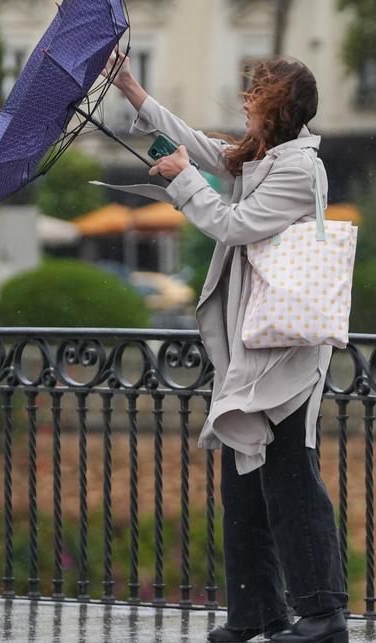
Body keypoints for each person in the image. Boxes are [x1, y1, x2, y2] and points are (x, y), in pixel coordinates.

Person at [100, 50, 349, 643]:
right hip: (253, 341)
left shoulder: (298, 170)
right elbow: (204, 148)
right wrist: (131, 89)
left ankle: (323, 615)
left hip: (284, 347)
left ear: (279, 111)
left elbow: (232, 225)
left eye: (257, 96)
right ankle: (256, 614)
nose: (246, 102)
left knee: (290, 474)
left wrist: (184, 178)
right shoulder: (266, 154)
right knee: (244, 475)